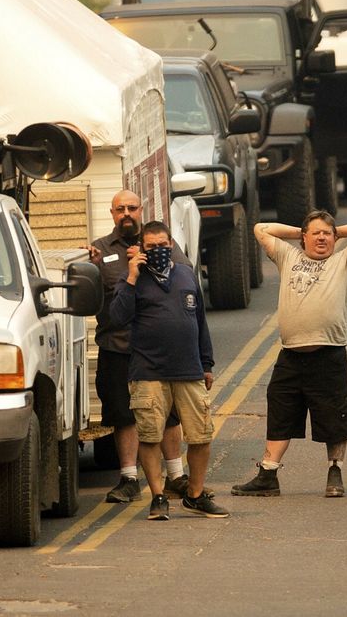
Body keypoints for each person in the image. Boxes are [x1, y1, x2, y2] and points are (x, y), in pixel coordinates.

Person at [232, 211, 347, 499]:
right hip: (291, 355)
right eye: (316, 233)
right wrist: (300, 232)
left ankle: (334, 472)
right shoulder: (289, 257)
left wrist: (336, 231)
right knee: (280, 411)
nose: (322, 238)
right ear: (303, 237)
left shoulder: (344, 262)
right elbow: (262, 228)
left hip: (328, 354)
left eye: (327, 234)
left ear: (335, 239)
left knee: (333, 416)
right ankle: (268, 474)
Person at [110, 221, 228, 520]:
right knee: (149, 437)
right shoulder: (132, 279)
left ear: (172, 244)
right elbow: (117, 317)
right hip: (148, 372)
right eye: (152, 247)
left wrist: (207, 363)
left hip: (189, 371)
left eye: (164, 245)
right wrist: (133, 276)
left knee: (201, 436)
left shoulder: (186, 274)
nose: (159, 251)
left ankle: (196, 495)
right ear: (141, 249)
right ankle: (158, 496)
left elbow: (200, 320)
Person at [87, 190, 196, 504]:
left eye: (132, 208)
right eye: (119, 208)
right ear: (111, 213)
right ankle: (128, 478)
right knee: (125, 415)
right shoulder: (101, 250)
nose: (126, 213)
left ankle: (175, 475)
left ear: (141, 210)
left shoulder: (160, 245)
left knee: (169, 414)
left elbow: (185, 279)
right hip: (117, 347)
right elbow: (95, 297)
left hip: (156, 349)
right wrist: (92, 266)